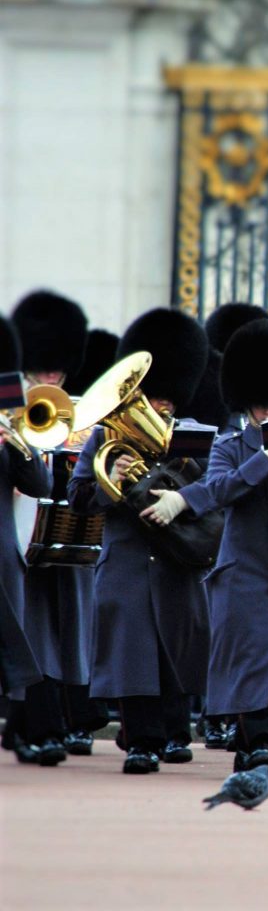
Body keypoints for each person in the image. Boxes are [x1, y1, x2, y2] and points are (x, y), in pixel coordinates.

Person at [68, 308, 214, 774]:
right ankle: (140, 741)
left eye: (170, 397)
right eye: (156, 396)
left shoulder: (193, 438)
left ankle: (174, 732)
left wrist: (180, 494)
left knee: (174, 648)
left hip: (175, 558)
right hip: (128, 557)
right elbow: (78, 497)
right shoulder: (106, 435)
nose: (163, 404)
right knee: (132, 652)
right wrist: (110, 477)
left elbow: (214, 491)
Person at [200, 319, 268, 772]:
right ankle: (254, 740)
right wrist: (262, 463)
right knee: (252, 657)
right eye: (262, 406)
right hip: (246, 567)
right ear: (248, 406)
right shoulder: (228, 446)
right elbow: (218, 492)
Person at [5, 291, 93, 766]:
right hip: (13, 533)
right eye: (45, 365)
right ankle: (30, 724)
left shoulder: (70, 409)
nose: (53, 373)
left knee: (48, 631)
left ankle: (37, 724)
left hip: (51, 532)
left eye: (59, 365)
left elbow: (50, 478)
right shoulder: (9, 405)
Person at [0, 313, 54, 764]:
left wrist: (20, 444)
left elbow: (41, 485)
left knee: (14, 642)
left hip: (4, 555)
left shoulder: (8, 433)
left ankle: (15, 729)